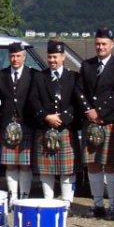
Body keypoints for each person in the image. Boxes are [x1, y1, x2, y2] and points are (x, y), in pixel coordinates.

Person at [76, 27, 114, 220]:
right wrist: (88, 110)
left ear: (112, 45)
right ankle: (97, 204)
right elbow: (79, 90)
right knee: (93, 164)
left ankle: (113, 205)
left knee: (110, 164)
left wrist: (100, 112)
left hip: (109, 121)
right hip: (90, 121)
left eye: (104, 44)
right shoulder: (87, 65)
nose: (100, 47)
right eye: (98, 44)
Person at [32, 40, 81, 208]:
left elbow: (77, 102)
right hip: (45, 126)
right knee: (46, 168)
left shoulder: (73, 77)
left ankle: (67, 201)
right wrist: (46, 117)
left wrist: (63, 118)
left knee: (67, 169)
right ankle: (48, 200)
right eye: (50, 57)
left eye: (55, 57)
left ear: (63, 57)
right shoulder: (39, 77)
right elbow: (33, 100)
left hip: (66, 127)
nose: (52, 60)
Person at [0, 41, 38, 206]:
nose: (15, 59)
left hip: (26, 124)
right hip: (7, 125)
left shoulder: (33, 74)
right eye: (12, 56)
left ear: (24, 57)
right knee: (11, 164)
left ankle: (25, 196)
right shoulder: (0, 75)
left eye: (18, 56)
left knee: (25, 164)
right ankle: (13, 197)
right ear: (8, 57)